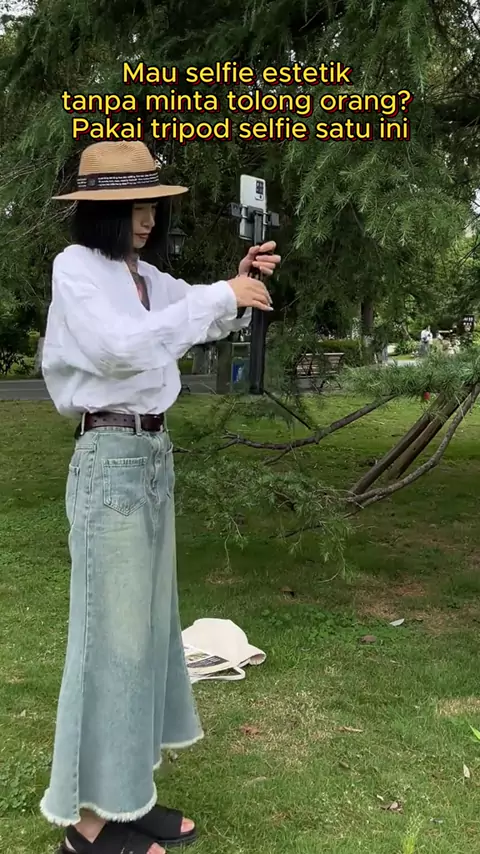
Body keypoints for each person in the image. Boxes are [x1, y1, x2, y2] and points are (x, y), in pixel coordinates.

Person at [41, 140, 281, 854]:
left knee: (146, 635)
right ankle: (87, 829)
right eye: (133, 207)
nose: (147, 218)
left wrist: (236, 286)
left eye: (151, 205)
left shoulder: (145, 277)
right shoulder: (75, 269)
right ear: (99, 212)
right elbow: (119, 348)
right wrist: (219, 296)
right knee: (109, 641)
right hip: (110, 459)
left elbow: (199, 316)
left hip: (151, 458)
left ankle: (127, 798)